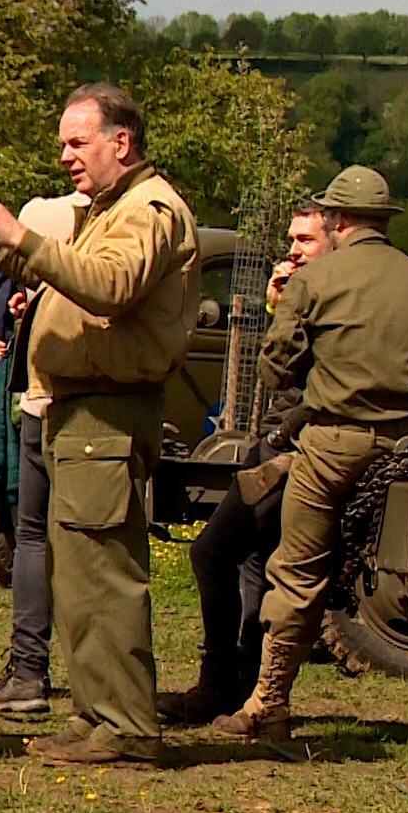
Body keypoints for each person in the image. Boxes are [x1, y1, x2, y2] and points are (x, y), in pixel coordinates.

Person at [0, 83, 199, 766]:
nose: (65, 157)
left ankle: (128, 726)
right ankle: (96, 714)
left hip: (106, 414)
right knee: (78, 574)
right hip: (80, 411)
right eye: (62, 143)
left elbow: (111, 286)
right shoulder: (111, 208)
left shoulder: (150, 209)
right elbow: (85, 283)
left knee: (104, 571)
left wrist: (23, 237)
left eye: (76, 142)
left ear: (123, 142)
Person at [212, 166, 408, 742]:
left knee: (295, 573)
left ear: (337, 221)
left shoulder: (315, 282)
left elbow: (275, 368)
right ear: (383, 221)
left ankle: (268, 704)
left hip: (333, 443)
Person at [157, 200, 332, 724]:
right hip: (278, 445)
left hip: (293, 450)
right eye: (292, 240)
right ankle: (246, 684)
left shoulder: (326, 299)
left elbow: (283, 371)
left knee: (212, 553)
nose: (294, 251)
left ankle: (220, 685)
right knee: (256, 561)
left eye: (306, 240)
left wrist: (286, 311)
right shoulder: (317, 295)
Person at [0, 192, 90, 716]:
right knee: (73, 542)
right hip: (67, 400)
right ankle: (92, 684)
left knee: (36, 538)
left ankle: (29, 672)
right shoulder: (128, 219)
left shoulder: (47, 216)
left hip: (59, 400)